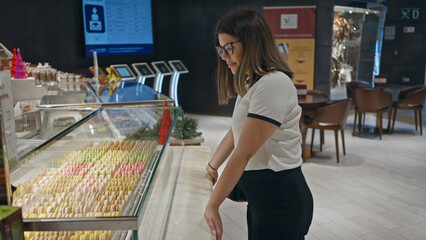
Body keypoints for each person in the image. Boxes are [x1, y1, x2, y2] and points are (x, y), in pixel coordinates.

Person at [204, 9, 314, 240]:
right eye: (220, 49)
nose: (224, 56)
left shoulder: (272, 84)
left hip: (279, 199)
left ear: (252, 42)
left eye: (228, 48)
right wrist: (212, 166)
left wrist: (213, 205)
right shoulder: (252, 81)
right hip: (262, 199)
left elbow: (243, 153)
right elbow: (237, 133)